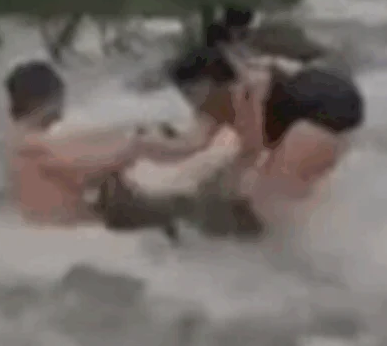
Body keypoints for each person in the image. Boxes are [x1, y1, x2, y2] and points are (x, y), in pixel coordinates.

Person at [135, 42, 364, 233]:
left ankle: (293, 249)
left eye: (192, 91)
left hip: (329, 106)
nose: (188, 99)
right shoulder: (209, 105)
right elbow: (191, 145)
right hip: (304, 110)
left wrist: (221, 189)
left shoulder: (246, 90)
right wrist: (141, 147)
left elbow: (252, 149)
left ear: (214, 82)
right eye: (183, 92)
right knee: (262, 184)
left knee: (270, 194)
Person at [4, 60, 178, 237]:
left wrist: (126, 138)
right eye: (60, 100)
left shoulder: (21, 137)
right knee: (149, 206)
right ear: (43, 101)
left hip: (50, 229)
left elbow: (78, 150)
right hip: (66, 231)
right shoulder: (33, 144)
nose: (62, 109)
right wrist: (134, 148)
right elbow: (93, 167)